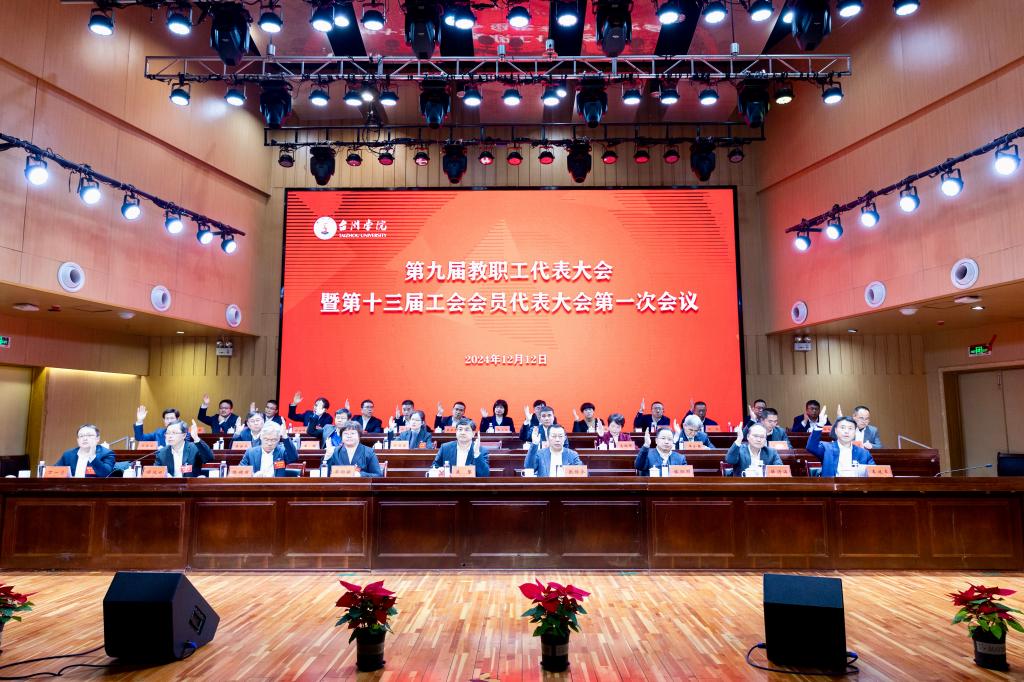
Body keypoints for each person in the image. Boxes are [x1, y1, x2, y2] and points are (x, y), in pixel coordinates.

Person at [806, 413, 875, 477]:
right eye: (842, 427)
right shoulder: (827, 448)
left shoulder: (864, 453)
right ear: (836, 430)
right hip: (832, 485)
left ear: (855, 432)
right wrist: (819, 425)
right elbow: (811, 447)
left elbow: (874, 474)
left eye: (850, 428)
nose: (846, 431)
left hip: (855, 486)